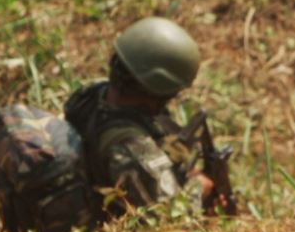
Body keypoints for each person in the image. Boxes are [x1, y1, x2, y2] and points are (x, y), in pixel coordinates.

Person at [63, 17, 215, 219]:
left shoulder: (91, 95)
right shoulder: (131, 145)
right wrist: (200, 186)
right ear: (158, 89)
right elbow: (172, 216)